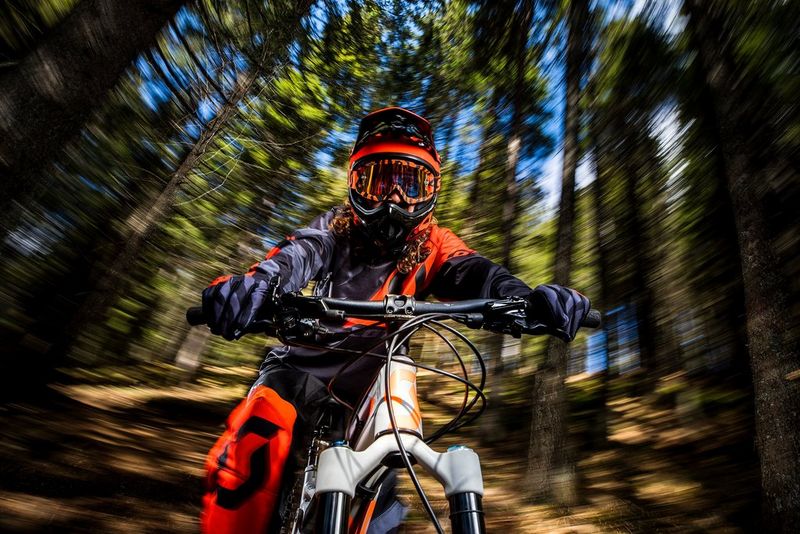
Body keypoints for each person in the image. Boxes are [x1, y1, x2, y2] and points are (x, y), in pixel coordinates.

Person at [198, 107, 591, 533]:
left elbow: (476, 272)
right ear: (354, 186)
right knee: (256, 438)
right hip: (300, 368)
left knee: (386, 484)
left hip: (376, 382)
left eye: (409, 183)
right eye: (377, 182)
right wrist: (251, 287)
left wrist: (527, 299)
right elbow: (294, 256)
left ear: (431, 188)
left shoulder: (434, 243)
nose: (393, 199)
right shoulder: (334, 227)